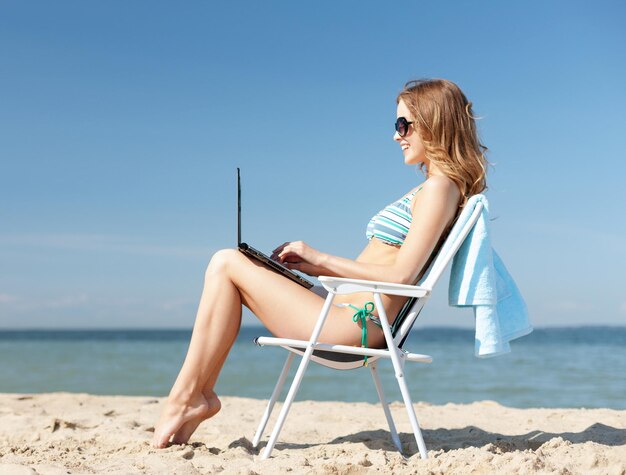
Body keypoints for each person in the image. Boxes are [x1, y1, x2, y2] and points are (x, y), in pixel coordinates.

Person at [152, 78, 488, 448]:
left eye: (403, 124)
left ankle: (189, 397)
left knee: (226, 262)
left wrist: (320, 258)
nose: (397, 136)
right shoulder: (436, 188)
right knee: (234, 265)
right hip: (344, 311)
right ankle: (193, 396)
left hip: (353, 326)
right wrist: (315, 270)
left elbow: (401, 275)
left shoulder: (440, 188)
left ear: (434, 121)